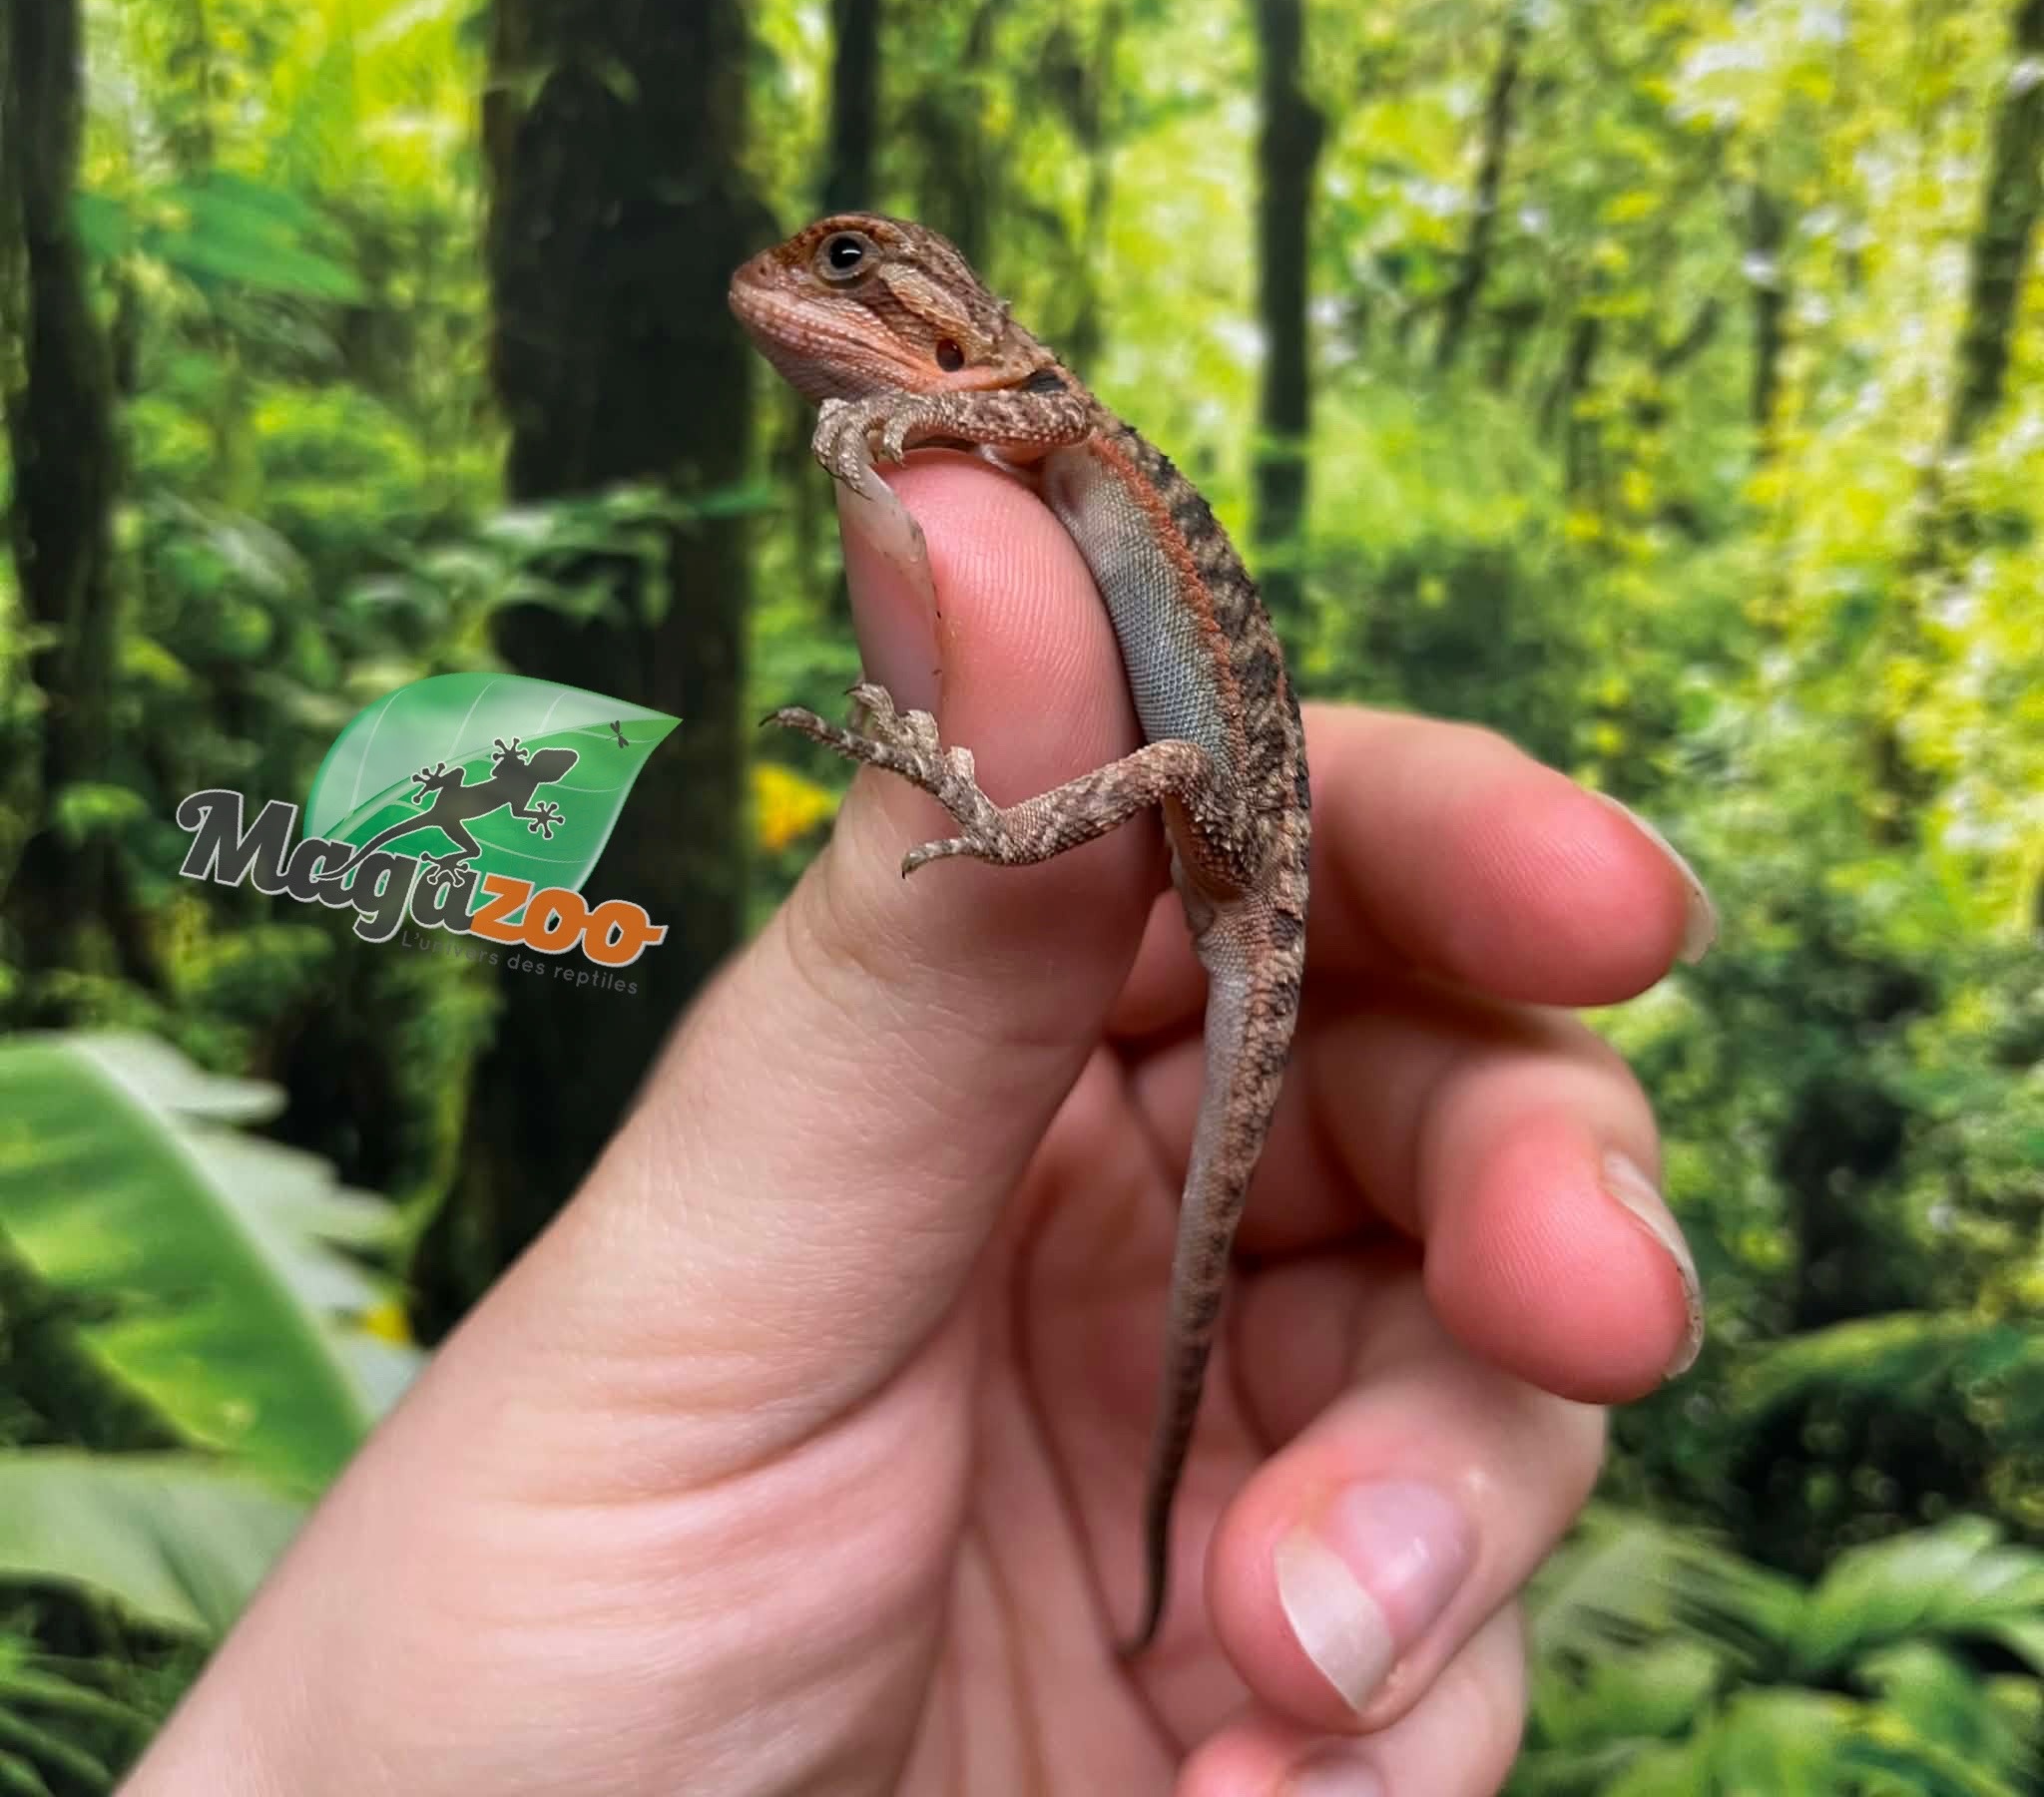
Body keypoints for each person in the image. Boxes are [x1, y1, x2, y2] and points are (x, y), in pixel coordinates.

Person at [124, 452, 1712, 1797]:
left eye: (851, 265)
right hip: (1237, 875)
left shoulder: (1023, 418)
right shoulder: (996, 453)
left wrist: (1007, 820)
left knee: (1167, 780)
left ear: (952, 322)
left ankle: (1014, 823)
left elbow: (1171, 746)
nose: (810, 292)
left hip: (1240, 855)